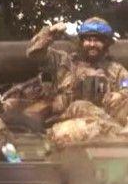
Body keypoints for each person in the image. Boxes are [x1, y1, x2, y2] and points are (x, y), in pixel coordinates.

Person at [25, 17, 128, 146]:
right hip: (67, 122)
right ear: (81, 42)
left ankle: (118, 135)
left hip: (102, 126)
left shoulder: (116, 70)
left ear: (106, 43)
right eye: (88, 39)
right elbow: (34, 53)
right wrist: (49, 33)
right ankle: (118, 134)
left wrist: (121, 94)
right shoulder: (64, 62)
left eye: (97, 41)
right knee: (80, 106)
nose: (92, 44)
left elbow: (126, 86)